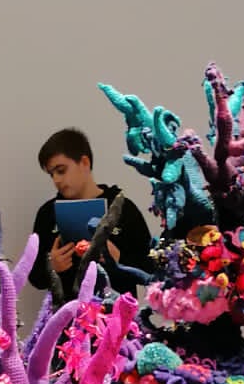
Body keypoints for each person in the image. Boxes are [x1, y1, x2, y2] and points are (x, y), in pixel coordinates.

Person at [29, 127, 153, 301]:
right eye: (52, 174)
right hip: (66, 313)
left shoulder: (123, 208)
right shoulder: (48, 214)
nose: (56, 180)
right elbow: (34, 278)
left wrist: (119, 259)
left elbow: (151, 269)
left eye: (61, 170)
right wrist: (52, 265)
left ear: (84, 163)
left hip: (116, 313)